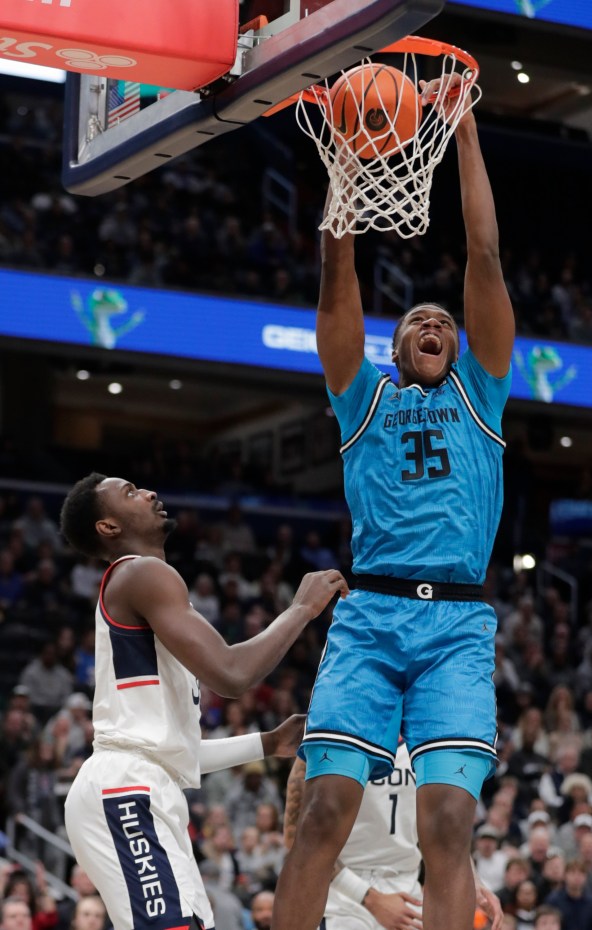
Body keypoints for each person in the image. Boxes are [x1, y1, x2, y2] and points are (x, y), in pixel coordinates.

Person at [271, 74, 514, 930]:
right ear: (395, 345)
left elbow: (484, 256)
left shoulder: (481, 394)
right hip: (371, 618)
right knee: (323, 814)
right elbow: (337, 274)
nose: (432, 325)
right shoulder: (362, 398)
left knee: (447, 827)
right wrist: (344, 162)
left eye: (443, 320)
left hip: (457, 626)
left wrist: (465, 128)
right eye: (416, 320)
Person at [59, 472, 348, 930]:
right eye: (130, 492)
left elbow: (174, 752)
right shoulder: (141, 572)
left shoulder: (148, 588)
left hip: (144, 786)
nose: (150, 492)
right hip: (126, 789)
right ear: (108, 527)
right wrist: (301, 610)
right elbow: (232, 674)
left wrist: (268, 743)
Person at [284, 740, 503, 930]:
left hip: (406, 890)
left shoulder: (430, 739)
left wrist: (474, 881)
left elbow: (443, 830)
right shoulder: (332, 734)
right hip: (344, 895)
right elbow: (295, 839)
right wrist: (369, 898)